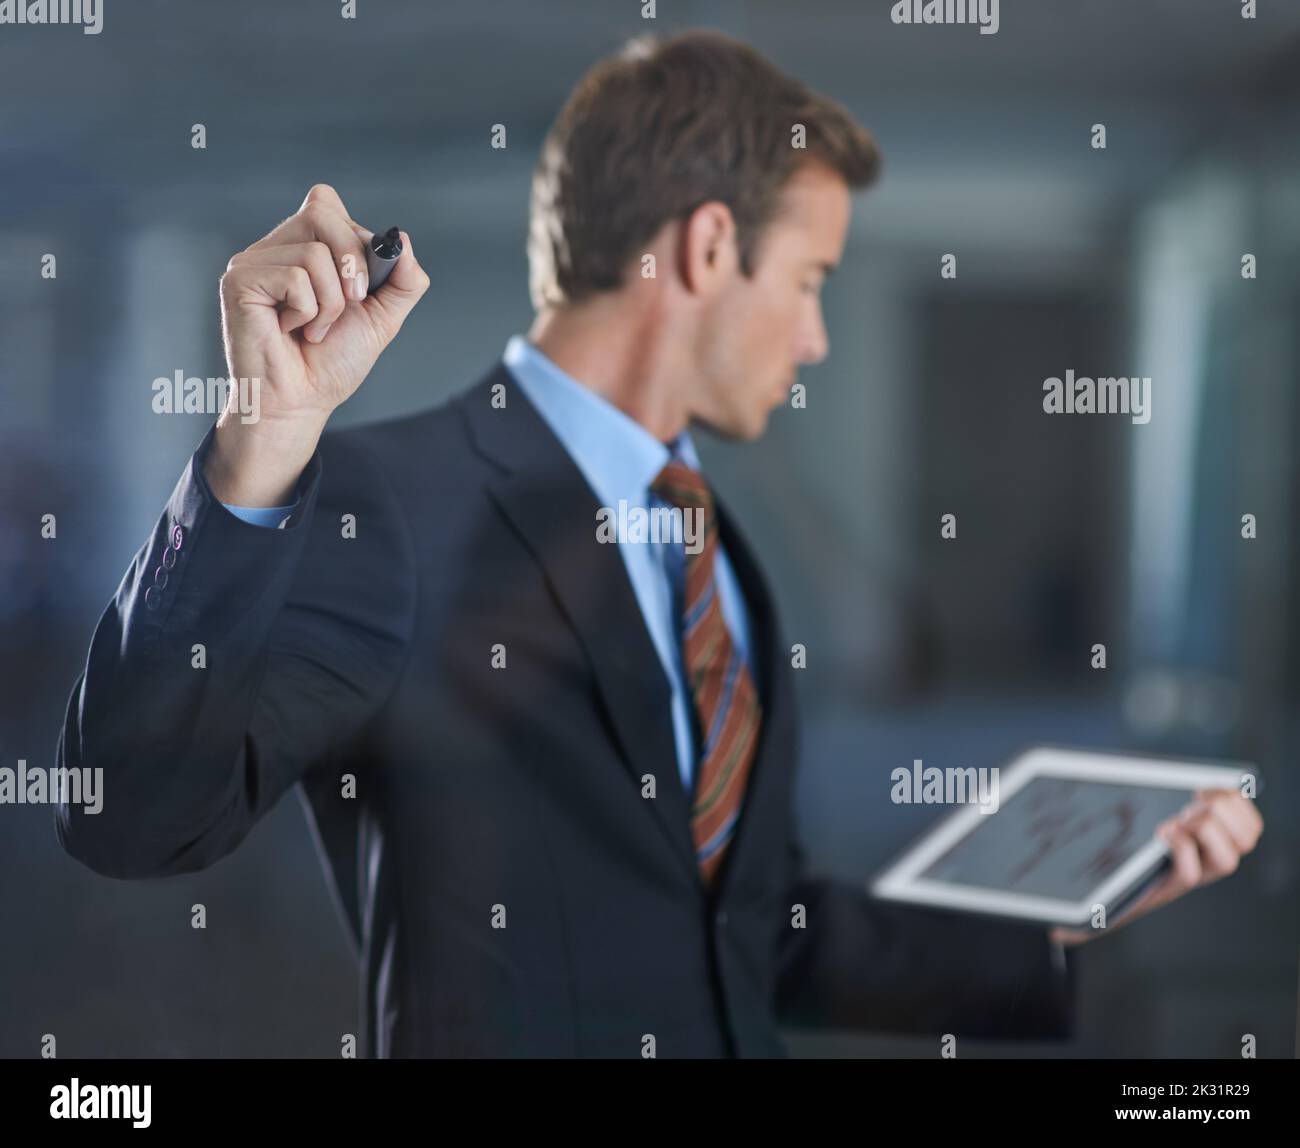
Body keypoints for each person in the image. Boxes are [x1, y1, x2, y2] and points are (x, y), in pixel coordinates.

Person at [54, 29, 1262, 1058]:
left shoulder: (714, 546)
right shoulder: (388, 503)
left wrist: (1063, 902)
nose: (816, 337)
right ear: (701, 251)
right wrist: (254, 451)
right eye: (808, 279)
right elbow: (128, 816)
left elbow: (755, 920)